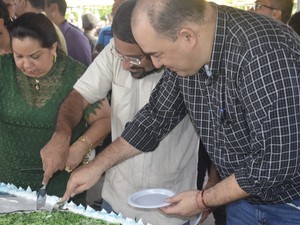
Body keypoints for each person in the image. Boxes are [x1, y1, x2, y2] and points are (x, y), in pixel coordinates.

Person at [56, 0, 300, 224]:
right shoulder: (187, 52)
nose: (157, 65)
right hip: (243, 198)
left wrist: (203, 199)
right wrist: (97, 165)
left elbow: (275, 162)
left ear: (187, 37)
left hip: (290, 203)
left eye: (156, 54)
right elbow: (155, 118)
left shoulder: (262, 53)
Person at [40, 1, 199, 224]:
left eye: (134, 58)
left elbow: (152, 126)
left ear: (156, 47)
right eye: (120, 55)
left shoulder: (185, 68)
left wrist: (208, 192)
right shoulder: (117, 52)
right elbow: (79, 96)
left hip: (171, 203)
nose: (124, 65)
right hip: (116, 200)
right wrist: (62, 134)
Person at [0, 12, 111, 205]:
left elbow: (105, 119)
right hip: (8, 184)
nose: (26, 64)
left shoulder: (76, 74)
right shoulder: (4, 70)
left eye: (35, 56)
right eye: (19, 56)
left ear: (53, 48)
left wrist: (79, 147)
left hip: (60, 186)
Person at [44, 0, 92, 66]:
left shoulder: (76, 39)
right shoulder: (46, 35)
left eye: (42, 8)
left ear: (53, 8)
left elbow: (87, 73)